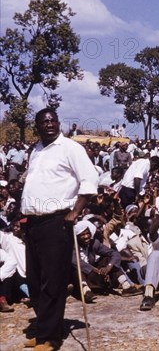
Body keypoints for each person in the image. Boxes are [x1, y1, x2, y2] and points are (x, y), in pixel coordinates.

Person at [20, 108, 99, 350]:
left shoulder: (71, 148)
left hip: (57, 221)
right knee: (34, 281)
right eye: (44, 121)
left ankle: (51, 338)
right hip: (33, 223)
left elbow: (90, 181)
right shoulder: (36, 150)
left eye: (53, 120)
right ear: (37, 125)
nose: (50, 124)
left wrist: (74, 213)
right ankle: (42, 329)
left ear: (58, 123)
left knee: (53, 282)